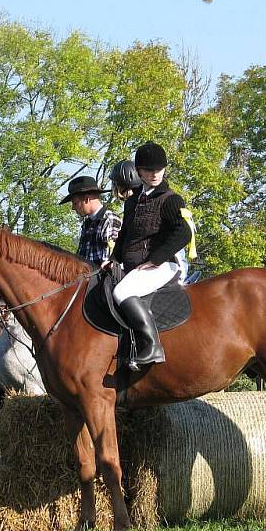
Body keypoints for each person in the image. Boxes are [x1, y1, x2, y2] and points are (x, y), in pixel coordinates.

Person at [110, 142, 192, 369]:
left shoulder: (170, 199)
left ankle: (153, 346)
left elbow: (184, 232)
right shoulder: (133, 202)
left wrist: (155, 260)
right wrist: (114, 259)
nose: (155, 174)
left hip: (163, 266)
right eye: (149, 170)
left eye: (159, 169)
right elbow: (125, 233)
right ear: (139, 171)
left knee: (122, 291)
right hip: (136, 267)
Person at [110, 159, 192, 285]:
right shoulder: (134, 204)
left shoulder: (165, 200)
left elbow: (182, 234)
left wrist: (154, 261)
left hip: (168, 266)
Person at [60, 175, 121, 265]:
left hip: (102, 277)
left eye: (75, 203)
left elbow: (110, 262)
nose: (73, 208)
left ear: (86, 199)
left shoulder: (109, 220)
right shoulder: (87, 223)